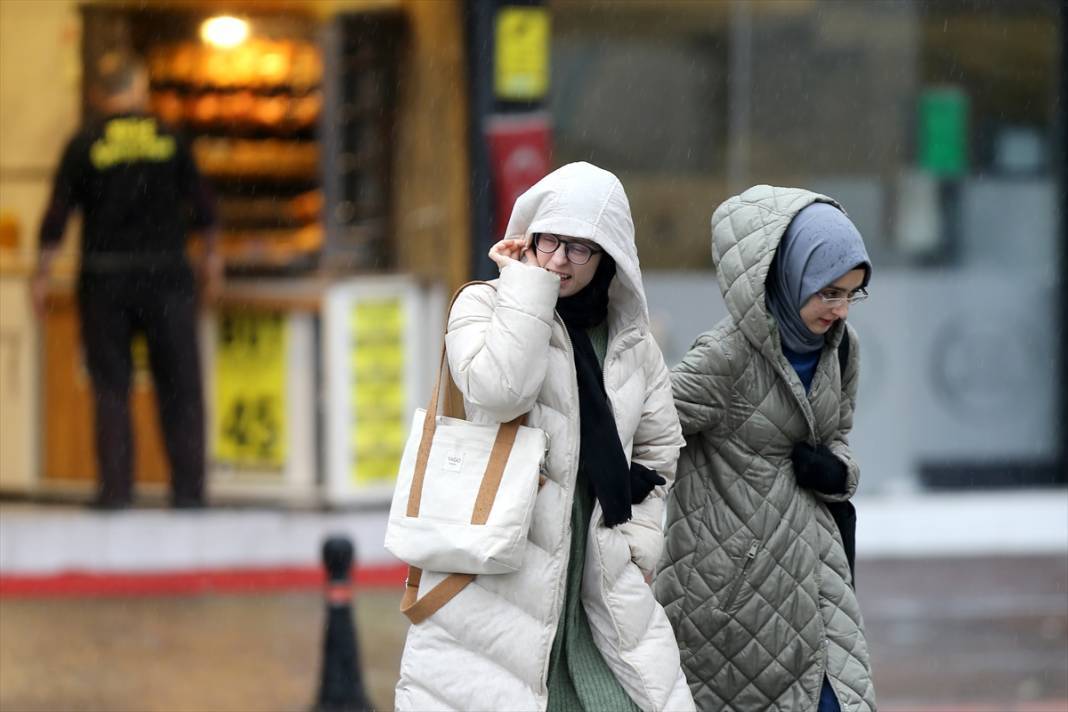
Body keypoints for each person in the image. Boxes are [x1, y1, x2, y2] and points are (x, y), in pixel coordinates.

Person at [394, 162, 694, 711]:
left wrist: (639, 544)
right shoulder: (482, 305)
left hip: (597, 569)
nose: (559, 259)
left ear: (608, 258)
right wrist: (527, 290)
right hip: (500, 569)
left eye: (580, 248)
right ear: (527, 236)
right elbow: (499, 390)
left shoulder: (632, 343)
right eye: (549, 240)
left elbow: (659, 450)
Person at [654, 187, 877, 711]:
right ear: (790, 276)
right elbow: (650, 425)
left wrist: (838, 471)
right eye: (828, 293)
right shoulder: (725, 357)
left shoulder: (842, 348)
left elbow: (839, 434)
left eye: (852, 293)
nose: (841, 309)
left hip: (818, 574)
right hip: (732, 596)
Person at [32, 52, 220, 510]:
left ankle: (116, 493)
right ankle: (189, 493)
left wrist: (41, 274)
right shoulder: (169, 137)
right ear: (140, 90)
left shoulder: (85, 143)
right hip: (167, 278)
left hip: (105, 279)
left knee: (111, 387)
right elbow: (205, 209)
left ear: (100, 95)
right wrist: (213, 263)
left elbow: (57, 216)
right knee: (180, 386)